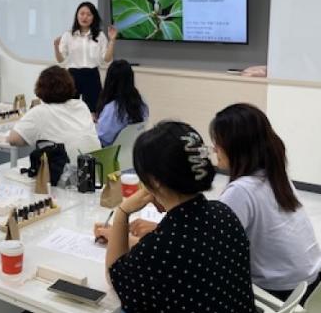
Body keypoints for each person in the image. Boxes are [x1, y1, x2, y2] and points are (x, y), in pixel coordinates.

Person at [103, 121, 256, 313]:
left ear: (154, 181)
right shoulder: (224, 213)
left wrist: (122, 212)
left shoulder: (159, 248)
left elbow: (116, 279)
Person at [211, 103, 321, 304]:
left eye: (218, 142)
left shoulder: (241, 191)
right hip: (312, 284)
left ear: (235, 146)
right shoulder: (276, 176)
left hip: (282, 293)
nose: (214, 149)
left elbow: (211, 247)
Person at [8, 65, 100, 167]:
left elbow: (13, 139)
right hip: (94, 168)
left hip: (65, 172)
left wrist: (34, 137)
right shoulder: (81, 106)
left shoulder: (40, 111)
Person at [54, 1, 116, 113]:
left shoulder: (100, 35)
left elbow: (106, 60)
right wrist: (56, 47)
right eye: (82, 13)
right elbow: (61, 61)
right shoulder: (68, 35)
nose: (85, 17)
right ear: (77, 15)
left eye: (89, 14)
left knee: (94, 111)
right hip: (72, 76)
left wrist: (112, 40)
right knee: (69, 111)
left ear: (93, 17)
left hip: (92, 75)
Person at [96, 59, 148, 146]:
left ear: (110, 80)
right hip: (132, 149)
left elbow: (102, 137)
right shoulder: (141, 102)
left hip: (110, 151)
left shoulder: (111, 109)